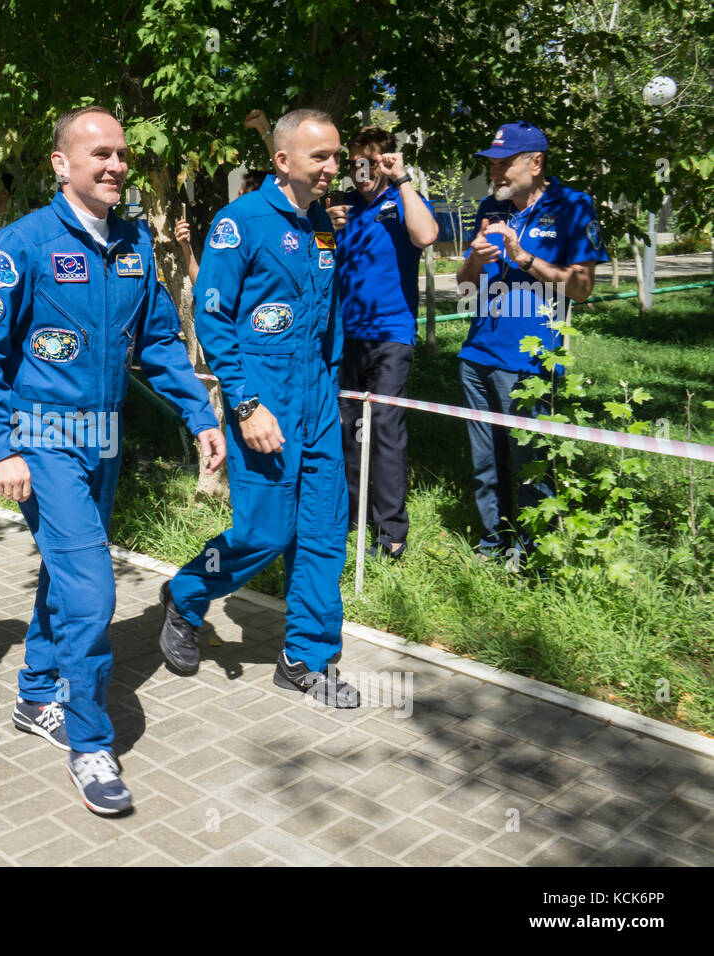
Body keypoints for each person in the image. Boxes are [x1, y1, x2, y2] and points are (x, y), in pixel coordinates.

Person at [0, 106, 226, 816]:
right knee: (94, 592)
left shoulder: (133, 244)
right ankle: (90, 741)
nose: (115, 165)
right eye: (99, 153)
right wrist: (2, 447)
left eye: (122, 154)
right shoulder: (22, 245)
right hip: (43, 442)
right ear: (60, 164)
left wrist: (200, 416)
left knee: (64, 573)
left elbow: (161, 343)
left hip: (102, 443)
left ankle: (36, 692)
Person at [157, 108, 360, 707]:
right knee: (264, 534)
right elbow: (214, 321)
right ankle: (188, 594)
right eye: (319, 156)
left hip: (318, 405)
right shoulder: (237, 223)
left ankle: (306, 658)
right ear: (282, 161)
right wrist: (245, 406)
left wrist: (330, 395)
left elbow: (328, 325)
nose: (331, 167)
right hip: (262, 404)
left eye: (336, 157)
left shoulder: (323, 227)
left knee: (324, 532)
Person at [454, 121, 607, 559]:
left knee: (529, 462)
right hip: (477, 352)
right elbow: (466, 286)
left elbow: (581, 287)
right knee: (485, 464)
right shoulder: (490, 207)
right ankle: (491, 546)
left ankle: (533, 552)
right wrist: (473, 262)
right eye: (492, 165)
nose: (496, 173)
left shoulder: (573, 207)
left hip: (529, 360)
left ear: (536, 163)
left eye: (505, 164)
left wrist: (525, 258)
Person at [328, 127, 438, 561]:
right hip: (346, 336)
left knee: (385, 432)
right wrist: (329, 226)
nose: (361, 171)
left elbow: (426, 236)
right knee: (350, 431)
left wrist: (402, 178)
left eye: (371, 162)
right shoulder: (343, 206)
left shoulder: (402, 199)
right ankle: (355, 520)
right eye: (355, 162)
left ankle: (391, 533)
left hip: (390, 336)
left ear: (386, 161)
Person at [174, 170, 270, 284]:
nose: (235, 205)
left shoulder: (238, 236)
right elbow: (205, 286)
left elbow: (208, 289)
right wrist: (186, 246)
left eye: (240, 197)